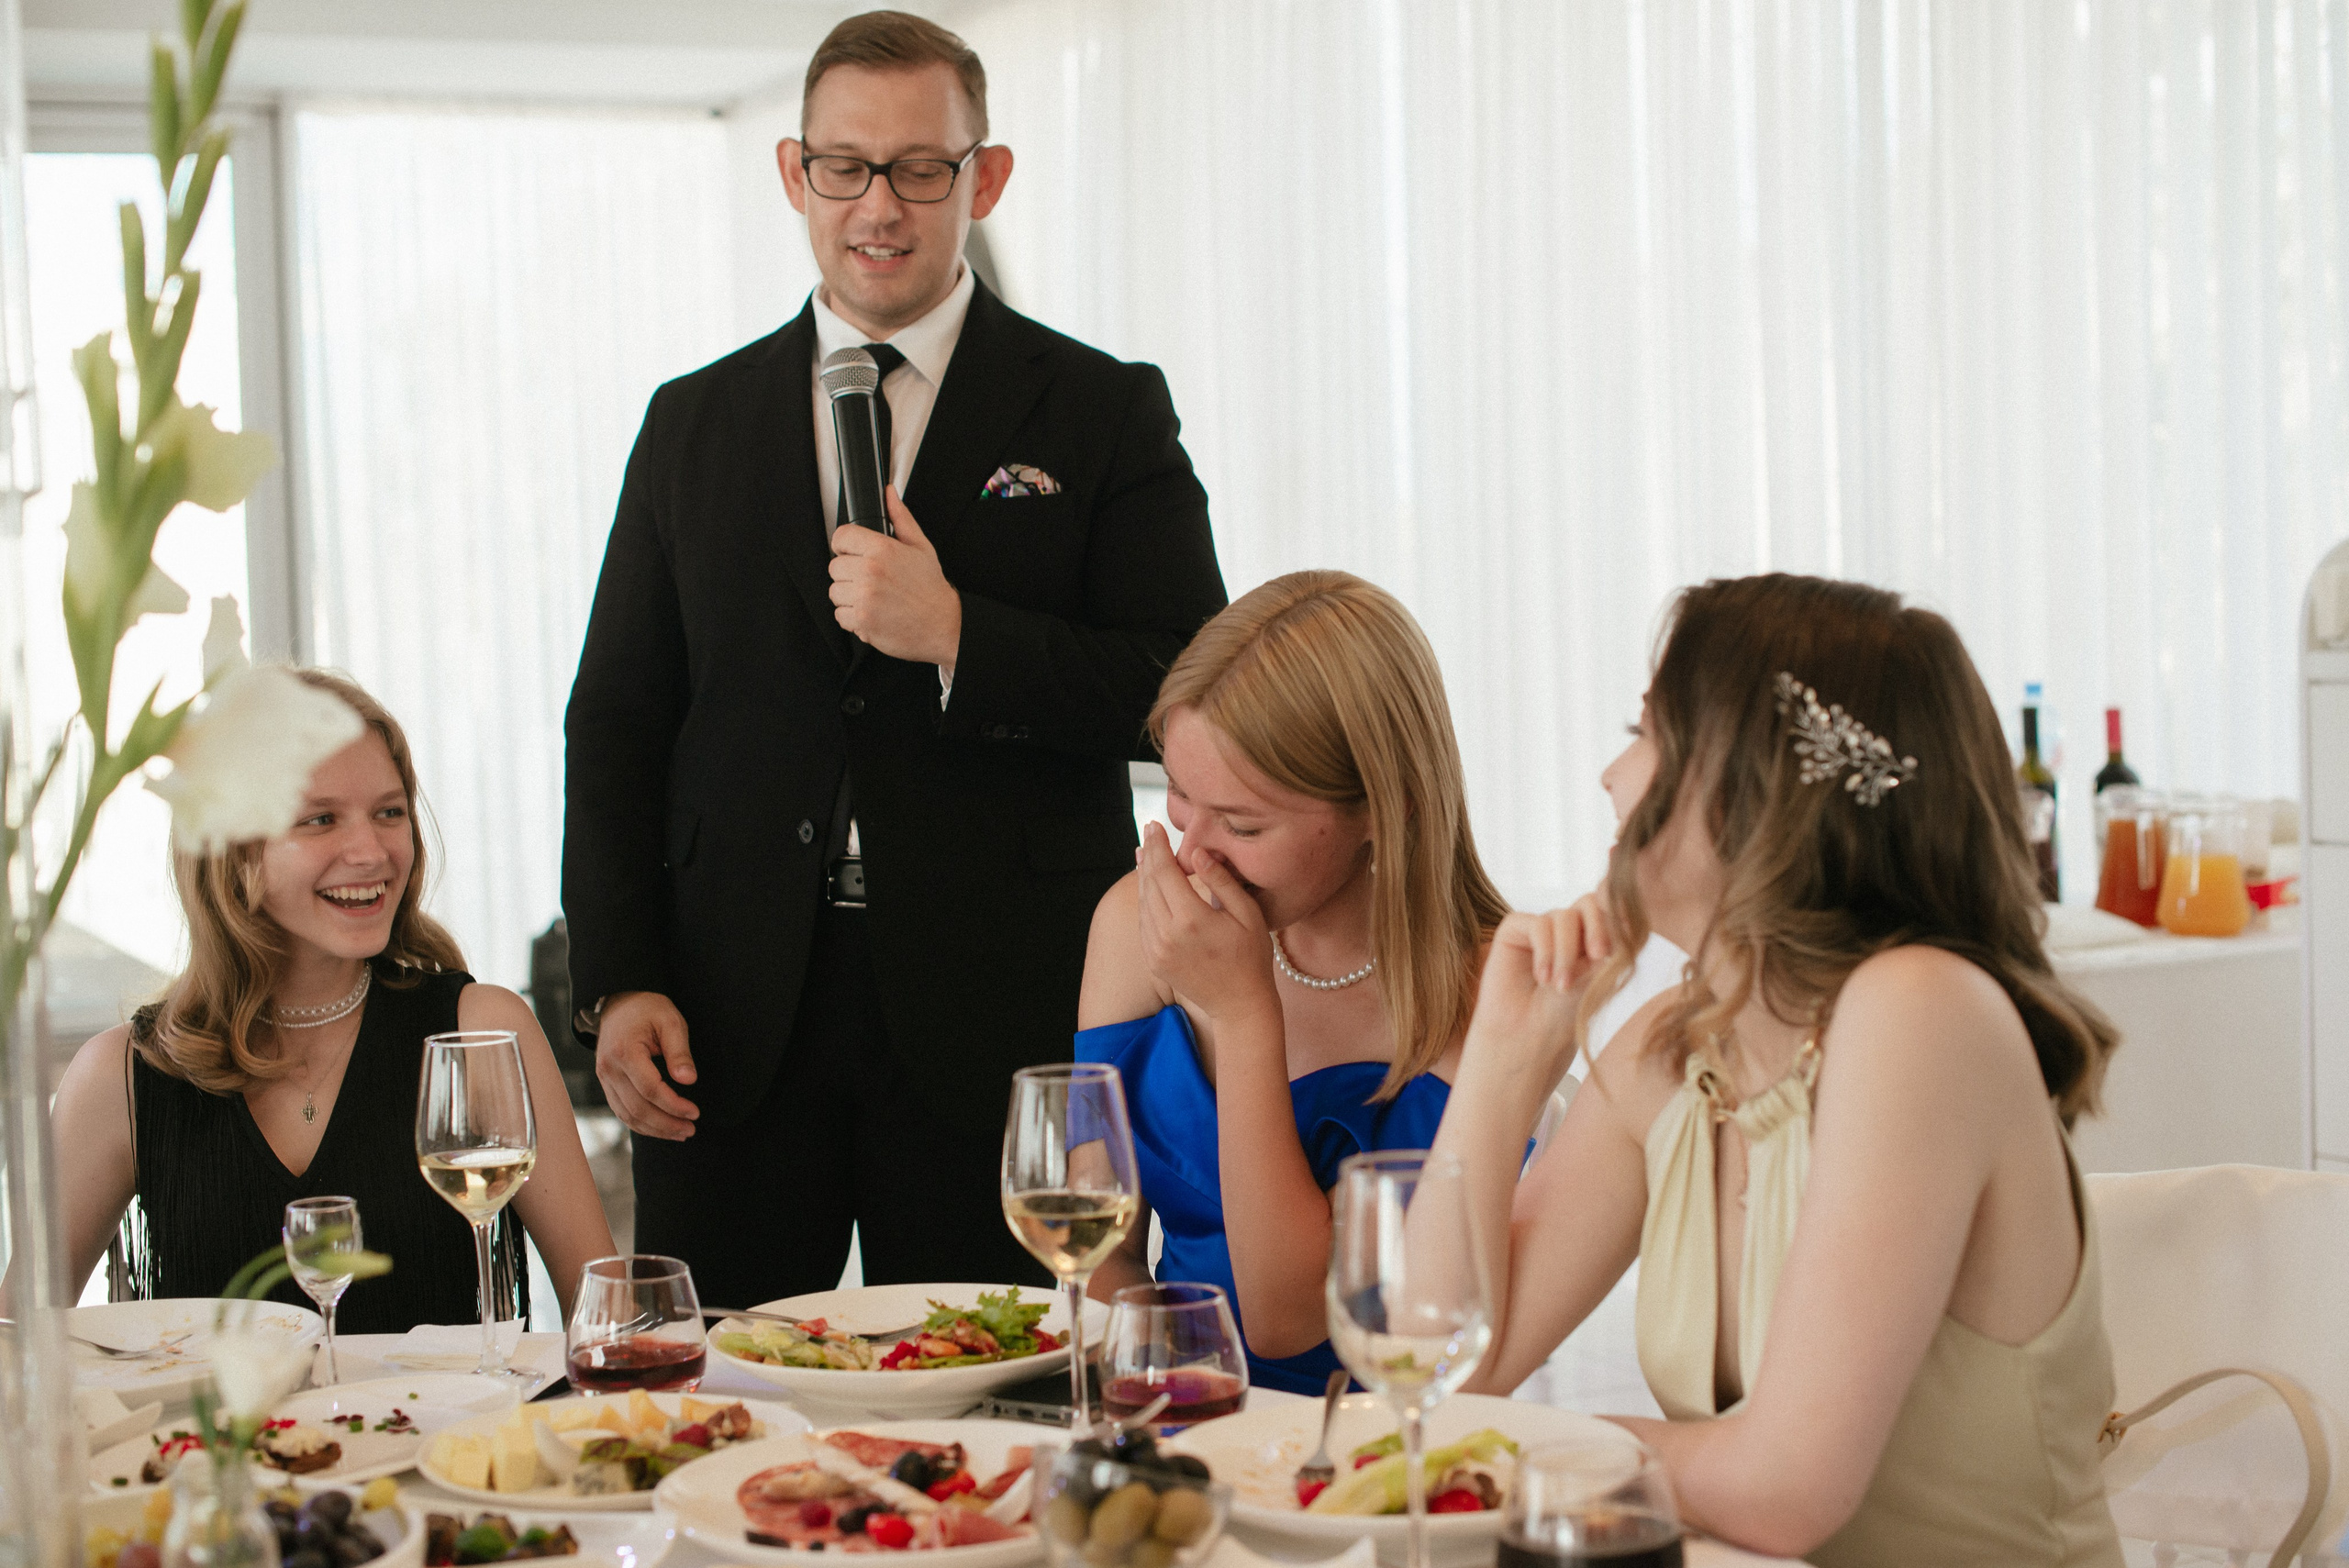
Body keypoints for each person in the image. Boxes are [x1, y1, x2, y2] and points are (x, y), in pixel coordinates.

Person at [562, 11, 1226, 1305]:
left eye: (922, 167)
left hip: (1005, 1005)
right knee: (724, 1400)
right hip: (735, 1015)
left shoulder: (1100, 410)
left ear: (985, 177)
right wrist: (621, 975)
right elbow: (619, 718)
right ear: (794, 174)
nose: (882, 204)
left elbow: (1196, 693)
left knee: (1005, 1402)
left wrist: (963, 636)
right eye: (846, 166)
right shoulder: (691, 422)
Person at [1433, 574, 2124, 1565]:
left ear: (1752, 782)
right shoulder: (1675, 1049)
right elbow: (1439, 1367)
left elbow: (1784, 1489)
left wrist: (1508, 1453)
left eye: (1643, 730)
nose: (1609, 775)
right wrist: (1503, 1060)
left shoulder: (1917, 1011)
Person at [47, 671, 614, 1332]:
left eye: (389, 811)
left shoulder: (483, 1031)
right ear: (230, 849)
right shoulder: (121, 1075)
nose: (371, 850)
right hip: (216, 1441)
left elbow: (603, 1317)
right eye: (320, 819)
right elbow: (16, 1344)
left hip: (453, 1438)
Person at [1076, 572, 1510, 1395]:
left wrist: (1245, 1014)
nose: (1193, 853)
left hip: (1375, 1439)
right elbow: (1102, 1251)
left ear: (1387, 808)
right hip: (1174, 1410)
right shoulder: (1132, 925)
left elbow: (1285, 1316)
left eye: (1242, 823)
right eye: (1177, 796)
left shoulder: (1485, 991)